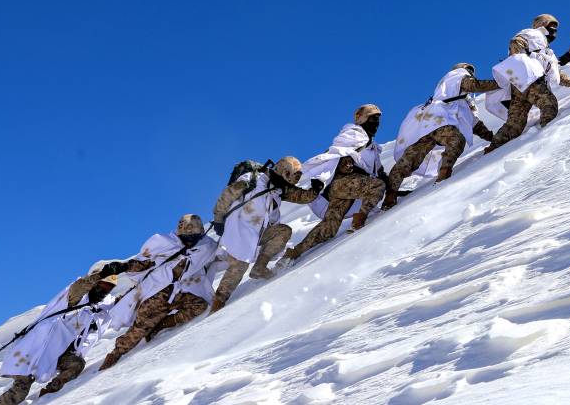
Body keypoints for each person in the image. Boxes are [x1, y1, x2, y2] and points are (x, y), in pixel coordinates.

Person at [0, 260, 149, 403]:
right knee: (21, 389)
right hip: (35, 348)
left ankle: (49, 394)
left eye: (109, 287)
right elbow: (80, 287)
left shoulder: (104, 305)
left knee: (76, 364)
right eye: (102, 284)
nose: (105, 289)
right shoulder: (75, 297)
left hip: (61, 352)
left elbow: (125, 302)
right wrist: (102, 274)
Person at [100, 215, 219, 370]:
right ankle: (116, 353)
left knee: (199, 306)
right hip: (157, 294)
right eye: (187, 236)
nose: (190, 239)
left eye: (194, 235)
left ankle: (162, 324)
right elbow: (143, 263)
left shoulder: (206, 246)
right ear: (180, 232)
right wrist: (123, 267)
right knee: (139, 330)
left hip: (179, 292)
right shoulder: (164, 243)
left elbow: (220, 253)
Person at [209, 156, 323, 311]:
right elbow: (226, 197)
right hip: (239, 230)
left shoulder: (279, 188)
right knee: (239, 265)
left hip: (259, 232)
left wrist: (315, 189)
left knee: (283, 231)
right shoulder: (252, 180)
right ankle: (219, 301)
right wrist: (218, 219)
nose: (293, 181)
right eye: (293, 176)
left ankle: (259, 267)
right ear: (284, 171)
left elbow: (301, 197)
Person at [282, 105, 387, 261]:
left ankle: (294, 253)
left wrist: (394, 189)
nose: (376, 123)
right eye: (372, 119)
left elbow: (379, 171)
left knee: (330, 227)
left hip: (349, 188)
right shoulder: (353, 134)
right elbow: (337, 152)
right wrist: (344, 164)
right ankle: (360, 218)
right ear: (363, 119)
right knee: (378, 186)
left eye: (378, 120)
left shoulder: (372, 147)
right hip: (342, 183)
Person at [384, 64, 498, 208]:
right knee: (456, 140)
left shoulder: (456, 96)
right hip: (439, 123)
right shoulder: (456, 77)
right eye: (470, 71)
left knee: (409, 159)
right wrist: (501, 82)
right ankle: (444, 175)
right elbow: (474, 85)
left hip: (427, 126)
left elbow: (474, 123)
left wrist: (493, 139)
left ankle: (390, 195)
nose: (470, 74)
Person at [484, 15, 570, 152]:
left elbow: (555, 74)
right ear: (542, 25)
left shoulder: (546, 50)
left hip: (519, 86)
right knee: (549, 105)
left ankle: (493, 148)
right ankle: (546, 142)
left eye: (556, 28)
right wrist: (522, 67)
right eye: (552, 26)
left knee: (515, 124)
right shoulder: (533, 34)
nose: (555, 30)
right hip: (530, 81)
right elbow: (515, 42)